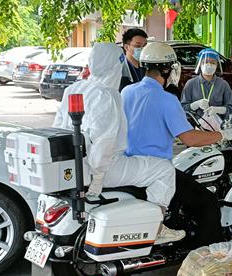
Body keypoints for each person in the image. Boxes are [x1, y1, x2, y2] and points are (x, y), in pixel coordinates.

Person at [54, 42, 183, 243]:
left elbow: (58, 128)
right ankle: (157, 228)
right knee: (165, 169)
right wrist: (96, 180)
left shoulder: (75, 88)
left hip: (74, 165)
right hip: (102, 168)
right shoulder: (107, 95)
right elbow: (103, 144)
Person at [122, 42, 232, 246]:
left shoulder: (127, 92)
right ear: (168, 69)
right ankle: (206, 261)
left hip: (128, 167)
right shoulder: (166, 99)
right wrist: (221, 135)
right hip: (155, 170)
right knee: (208, 203)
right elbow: (189, 138)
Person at [180, 48, 232, 123]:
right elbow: (182, 109)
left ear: (217, 65)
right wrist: (195, 105)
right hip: (196, 128)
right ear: (200, 64)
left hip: (217, 128)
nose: (209, 65)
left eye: (213, 63)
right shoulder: (190, 84)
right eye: (205, 62)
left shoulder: (223, 85)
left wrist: (219, 110)